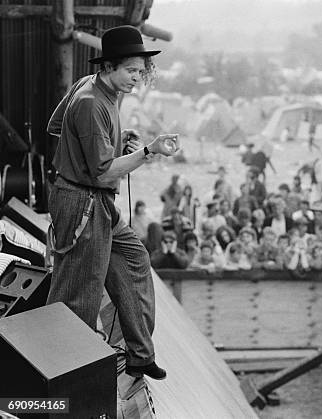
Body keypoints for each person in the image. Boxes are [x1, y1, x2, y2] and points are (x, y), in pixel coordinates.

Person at [45, 26, 179, 380]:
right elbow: (104, 171)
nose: (137, 78)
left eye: (140, 71)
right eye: (131, 71)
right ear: (109, 67)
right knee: (80, 294)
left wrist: (118, 139)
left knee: (134, 260)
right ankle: (64, 378)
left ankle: (139, 355)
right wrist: (148, 151)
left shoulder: (93, 85)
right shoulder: (91, 102)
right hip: (82, 204)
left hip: (95, 199)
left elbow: (56, 125)